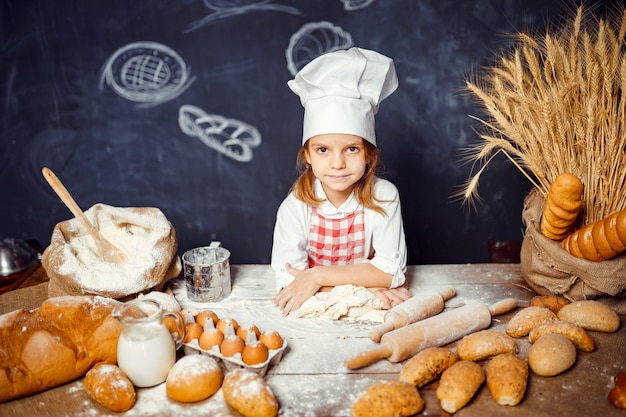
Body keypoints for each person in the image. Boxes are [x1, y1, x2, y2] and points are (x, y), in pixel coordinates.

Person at [271, 47, 410, 316]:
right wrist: (364, 289)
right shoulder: (295, 206)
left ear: (369, 154)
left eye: (351, 149)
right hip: (314, 314)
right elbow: (289, 280)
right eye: (323, 150)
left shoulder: (384, 196)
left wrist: (316, 277)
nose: (337, 163)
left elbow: (392, 272)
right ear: (307, 155)